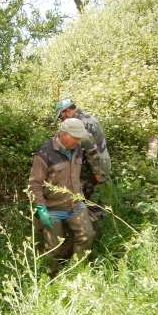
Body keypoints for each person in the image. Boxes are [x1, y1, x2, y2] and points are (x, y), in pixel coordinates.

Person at [29, 118, 105, 268]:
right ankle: (51, 276)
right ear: (64, 134)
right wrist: (40, 208)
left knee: (87, 236)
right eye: (76, 138)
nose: (79, 142)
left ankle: (76, 269)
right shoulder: (44, 154)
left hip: (76, 204)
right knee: (54, 248)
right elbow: (34, 184)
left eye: (80, 138)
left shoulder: (77, 149)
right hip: (52, 208)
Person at [55, 98, 111, 221]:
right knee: (92, 197)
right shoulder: (89, 118)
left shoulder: (79, 123)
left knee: (86, 198)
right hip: (101, 162)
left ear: (67, 111)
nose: (62, 120)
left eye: (61, 117)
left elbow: (91, 148)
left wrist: (97, 172)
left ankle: (91, 228)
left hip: (95, 166)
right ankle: (94, 224)